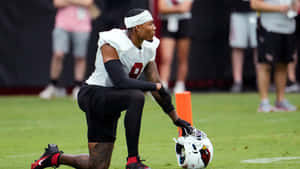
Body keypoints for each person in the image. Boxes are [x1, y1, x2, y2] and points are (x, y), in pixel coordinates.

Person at [31, 9, 193, 169]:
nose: (154, 27)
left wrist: (176, 119)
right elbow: (120, 81)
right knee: (136, 97)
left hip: (112, 99)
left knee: (98, 165)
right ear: (137, 27)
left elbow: (158, 89)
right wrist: (155, 86)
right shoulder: (112, 42)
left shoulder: (149, 47)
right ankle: (133, 160)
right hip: (93, 94)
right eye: (150, 24)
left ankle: (54, 157)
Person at [251, 0, 298, 112]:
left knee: (283, 64)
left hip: (288, 27)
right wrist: (280, 8)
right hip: (269, 27)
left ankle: (280, 101)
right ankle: (264, 103)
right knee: (264, 65)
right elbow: (254, 4)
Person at [39, 0, 93, 99]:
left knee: (80, 56)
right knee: (58, 54)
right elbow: (57, 3)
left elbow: (88, 3)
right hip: (62, 24)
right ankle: (53, 85)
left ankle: (77, 87)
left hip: (82, 26)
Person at [157, 0, 193, 93]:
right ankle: (163, 85)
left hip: (184, 23)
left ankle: (180, 85)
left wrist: (170, 9)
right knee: (166, 57)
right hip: (167, 23)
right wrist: (178, 9)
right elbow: (162, 8)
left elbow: (185, 8)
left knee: (182, 58)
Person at [229, 0, 258, 93]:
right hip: (238, 11)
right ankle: (237, 81)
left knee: (257, 46)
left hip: (257, 11)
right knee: (237, 46)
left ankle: (260, 79)